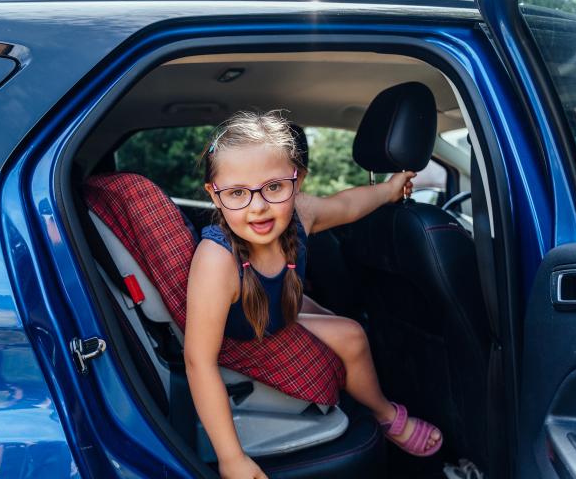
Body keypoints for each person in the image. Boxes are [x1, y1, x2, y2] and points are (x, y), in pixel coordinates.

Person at [185, 111, 442, 479]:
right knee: (351, 334)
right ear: (214, 194)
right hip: (243, 337)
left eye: (274, 187)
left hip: (277, 310)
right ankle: (386, 415)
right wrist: (232, 458)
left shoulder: (301, 215)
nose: (258, 206)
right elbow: (198, 361)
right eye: (238, 193)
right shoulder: (217, 261)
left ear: (298, 181)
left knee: (330, 315)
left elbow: (347, 205)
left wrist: (388, 190)